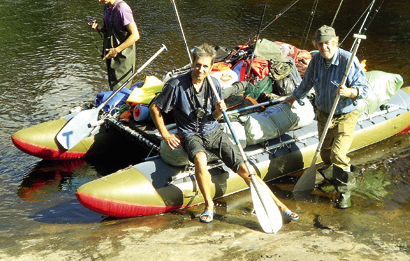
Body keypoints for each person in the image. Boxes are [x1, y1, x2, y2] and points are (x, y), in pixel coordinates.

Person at [149, 43, 299, 224]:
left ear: (211, 67)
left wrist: (221, 110)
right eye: (197, 65)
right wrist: (165, 134)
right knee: (200, 159)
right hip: (191, 134)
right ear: (192, 63)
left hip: (213, 130)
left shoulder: (214, 84)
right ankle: (209, 206)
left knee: (246, 170)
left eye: (205, 66)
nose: (200, 70)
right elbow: (154, 107)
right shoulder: (176, 85)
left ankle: (280, 206)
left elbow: (214, 116)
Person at [284, 25, 368, 209]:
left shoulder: (348, 60)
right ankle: (334, 179)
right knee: (325, 153)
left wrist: (350, 92)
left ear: (335, 42)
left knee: (338, 154)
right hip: (323, 114)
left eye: (328, 43)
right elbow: (307, 83)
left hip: (346, 114)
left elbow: (364, 89)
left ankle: (345, 191)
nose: (324, 48)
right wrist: (293, 98)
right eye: (320, 44)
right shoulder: (315, 60)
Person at [90, 0, 140, 90]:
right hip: (111, 54)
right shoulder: (107, 7)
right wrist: (99, 28)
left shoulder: (123, 9)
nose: (99, 0)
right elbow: (111, 30)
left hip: (123, 55)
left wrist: (117, 50)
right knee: (113, 86)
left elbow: (135, 35)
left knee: (121, 88)